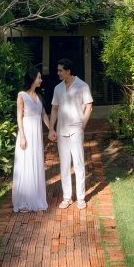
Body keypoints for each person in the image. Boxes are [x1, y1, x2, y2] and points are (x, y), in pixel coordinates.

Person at [49, 59, 93, 210]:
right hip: (61, 132)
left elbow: (89, 107)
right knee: (64, 165)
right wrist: (51, 129)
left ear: (68, 71)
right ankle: (67, 197)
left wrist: (83, 125)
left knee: (79, 164)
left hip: (76, 130)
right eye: (58, 70)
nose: (58, 73)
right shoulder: (57, 88)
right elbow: (54, 109)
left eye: (60, 70)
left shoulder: (82, 86)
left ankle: (81, 198)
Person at [12, 67, 51, 213]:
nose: (41, 80)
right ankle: (24, 202)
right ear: (32, 78)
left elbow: (44, 115)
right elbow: (19, 117)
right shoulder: (21, 95)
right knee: (25, 165)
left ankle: (36, 198)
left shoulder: (39, 96)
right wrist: (22, 136)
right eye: (39, 77)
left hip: (37, 135)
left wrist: (51, 129)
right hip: (27, 134)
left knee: (35, 163)